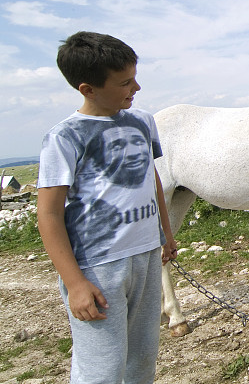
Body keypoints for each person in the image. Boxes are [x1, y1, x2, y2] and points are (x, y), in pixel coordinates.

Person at [37, 31, 178, 384]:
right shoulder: (64, 137)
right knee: (102, 367)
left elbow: (151, 179)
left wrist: (164, 232)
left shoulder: (142, 121)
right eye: (125, 82)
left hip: (146, 255)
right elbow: (49, 213)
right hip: (99, 269)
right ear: (88, 89)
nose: (137, 88)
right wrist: (75, 284)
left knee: (141, 358)